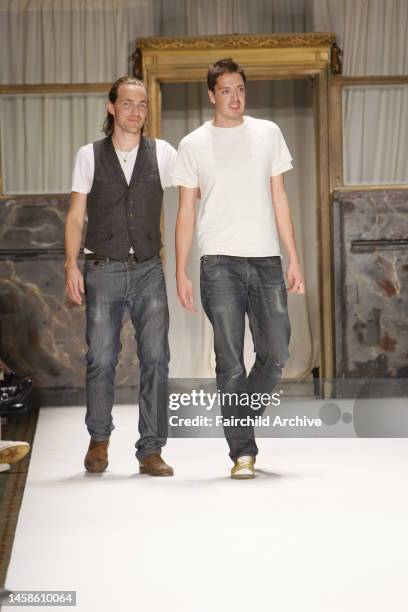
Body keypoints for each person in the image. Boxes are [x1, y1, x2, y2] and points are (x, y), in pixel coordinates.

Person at [173, 58, 304, 480]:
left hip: (266, 259)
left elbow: (280, 199)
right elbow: (186, 213)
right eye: (226, 90)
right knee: (229, 361)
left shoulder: (268, 133)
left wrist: (293, 257)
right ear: (212, 95)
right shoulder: (192, 144)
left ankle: (239, 417)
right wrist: (180, 270)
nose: (235, 97)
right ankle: (242, 453)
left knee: (277, 352)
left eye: (240, 89)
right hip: (219, 264)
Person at [65, 76, 176, 476]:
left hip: (149, 268)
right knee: (101, 358)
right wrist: (70, 264)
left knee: (157, 359)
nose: (135, 111)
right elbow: (77, 214)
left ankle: (150, 449)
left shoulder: (162, 153)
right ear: (111, 107)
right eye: (127, 103)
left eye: (142, 104)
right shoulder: (89, 155)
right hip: (102, 267)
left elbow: (195, 190)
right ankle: (99, 439)